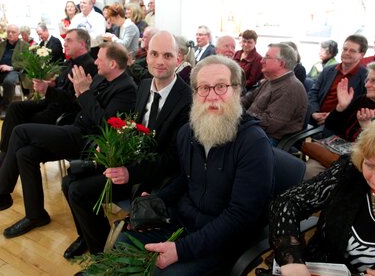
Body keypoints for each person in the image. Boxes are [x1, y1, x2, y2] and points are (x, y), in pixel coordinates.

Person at [116, 55, 275, 275]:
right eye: (203, 88)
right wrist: (156, 202)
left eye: (221, 87)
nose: (211, 96)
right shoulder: (189, 132)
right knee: (125, 241)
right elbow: (186, 178)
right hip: (184, 222)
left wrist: (180, 250)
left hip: (223, 240)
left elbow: (241, 216)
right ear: (195, 94)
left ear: (237, 91)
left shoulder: (254, 143)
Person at [0, 42, 137, 239]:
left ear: (113, 64)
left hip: (88, 142)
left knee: (20, 132)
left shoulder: (127, 88)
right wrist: (72, 92)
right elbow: (76, 104)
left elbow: (106, 125)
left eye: (100, 59)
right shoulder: (99, 77)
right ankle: (36, 215)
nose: (95, 61)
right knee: (25, 153)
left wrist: (84, 93)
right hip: (73, 129)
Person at [61, 31, 192, 258]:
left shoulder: (186, 99)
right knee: (67, 181)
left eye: (167, 55)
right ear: (147, 56)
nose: (160, 61)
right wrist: (113, 146)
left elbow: (173, 158)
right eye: (154, 54)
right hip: (132, 163)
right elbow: (132, 126)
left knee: (78, 191)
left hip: (153, 177)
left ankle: (100, 256)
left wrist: (129, 172)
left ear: (178, 60)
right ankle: (90, 238)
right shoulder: (143, 85)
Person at [270, 109, 375, 275]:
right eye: (370, 164)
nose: (374, 180)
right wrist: (291, 260)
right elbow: (288, 201)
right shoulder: (352, 172)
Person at [0, 29, 97, 195]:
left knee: (20, 127)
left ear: (82, 44)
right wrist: (50, 85)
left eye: (69, 40)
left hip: (62, 113)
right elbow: (63, 88)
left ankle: (0, 177)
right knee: (15, 108)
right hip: (52, 103)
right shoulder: (71, 62)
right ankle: (0, 164)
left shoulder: (88, 66)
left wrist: (48, 90)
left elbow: (74, 102)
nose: (65, 43)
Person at [305, 61, 375, 179]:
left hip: (362, 165)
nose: (367, 85)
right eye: (367, 80)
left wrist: (367, 128)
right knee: (307, 171)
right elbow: (331, 126)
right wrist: (340, 107)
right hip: (334, 154)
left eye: (374, 80)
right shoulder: (361, 101)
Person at [242, 43, 308, 145]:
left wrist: (240, 117)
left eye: (267, 58)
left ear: (281, 63)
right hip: (254, 129)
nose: (261, 61)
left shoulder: (289, 88)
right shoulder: (272, 80)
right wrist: (230, 106)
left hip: (269, 138)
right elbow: (248, 98)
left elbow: (268, 124)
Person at [308, 34, 368, 126]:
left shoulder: (365, 77)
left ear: (362, 55)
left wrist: (332, 116)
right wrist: (314, 112)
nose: (346, 53)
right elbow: (313, 92)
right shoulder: (328, 70)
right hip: (315, 118)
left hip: (341, 125)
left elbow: (360, 107)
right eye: (345, 49)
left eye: (352, 51)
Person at [0, 24, 29, 120]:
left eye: (13, 32)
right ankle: (1, 102)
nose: (10, 34)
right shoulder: (0, 44)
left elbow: (26, 62)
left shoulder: (25, 46)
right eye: (8, 32)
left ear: (18, 34)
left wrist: (11, 67)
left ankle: (5, 108)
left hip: (14, 71)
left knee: (8, 82)